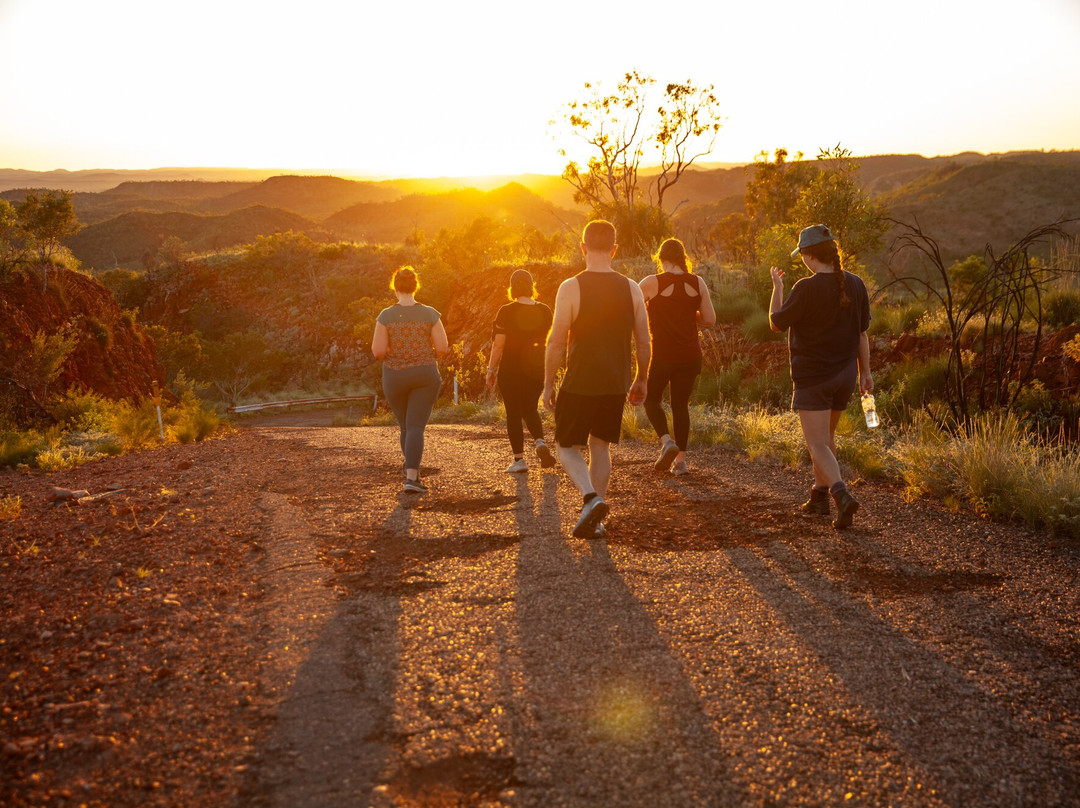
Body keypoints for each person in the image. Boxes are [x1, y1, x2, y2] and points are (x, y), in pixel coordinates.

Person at [543, 220, 650, 538]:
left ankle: (590, 499)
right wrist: (641, 378)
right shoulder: (631, 288)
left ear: (583, 248)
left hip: (579, 381)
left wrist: (548, 384)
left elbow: (556, 341)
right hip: (616, 382)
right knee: (600, 446)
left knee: (565, 445)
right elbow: (644, 341)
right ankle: (596, 519)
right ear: (615, 250)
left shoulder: (571, 287)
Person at [769, 224, 872, 529]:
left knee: (816, 443)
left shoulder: (806, 287)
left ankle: (842, 495)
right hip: (845, 377)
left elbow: (776, 323)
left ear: (809, 256)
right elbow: (862, 334)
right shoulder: (856, 284)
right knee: (826, 439)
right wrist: (866, 372)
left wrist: (777, 289)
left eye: (802, 254)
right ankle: (819, 497)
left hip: (814, 378)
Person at [638, 238, 716, 476]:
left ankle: (667, 442)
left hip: (662, 355)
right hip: (690, 355)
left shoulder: (652, 282)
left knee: (651, 400)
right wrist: (689, 314)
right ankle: (680, 462)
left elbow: (633, 309)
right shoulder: (697, 282)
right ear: (683, 258)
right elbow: (710, 320)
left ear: (661, 259)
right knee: (680, 405)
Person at [371, 266, 449, 494]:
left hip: (394, 376)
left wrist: (397, 353)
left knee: (406, 425)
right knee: (416, 426)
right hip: (424, 374)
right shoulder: (430, 314)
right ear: (416, 286)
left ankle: (409, 469)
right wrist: (424, 355)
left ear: (395, 288)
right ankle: (412, 478)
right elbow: (443, 347)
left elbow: (377, 352)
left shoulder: (385, 316)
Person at [486, 269, 557, 473]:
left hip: (510, 369)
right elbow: (552, 343)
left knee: (514, 414)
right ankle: (540, 442)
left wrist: (491, 370)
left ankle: (519, 461)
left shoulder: (505, 311)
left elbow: (499, 345)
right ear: (531, 287)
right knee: (530, 408)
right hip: (536, 369)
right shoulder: (545, 311)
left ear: (512, 288)